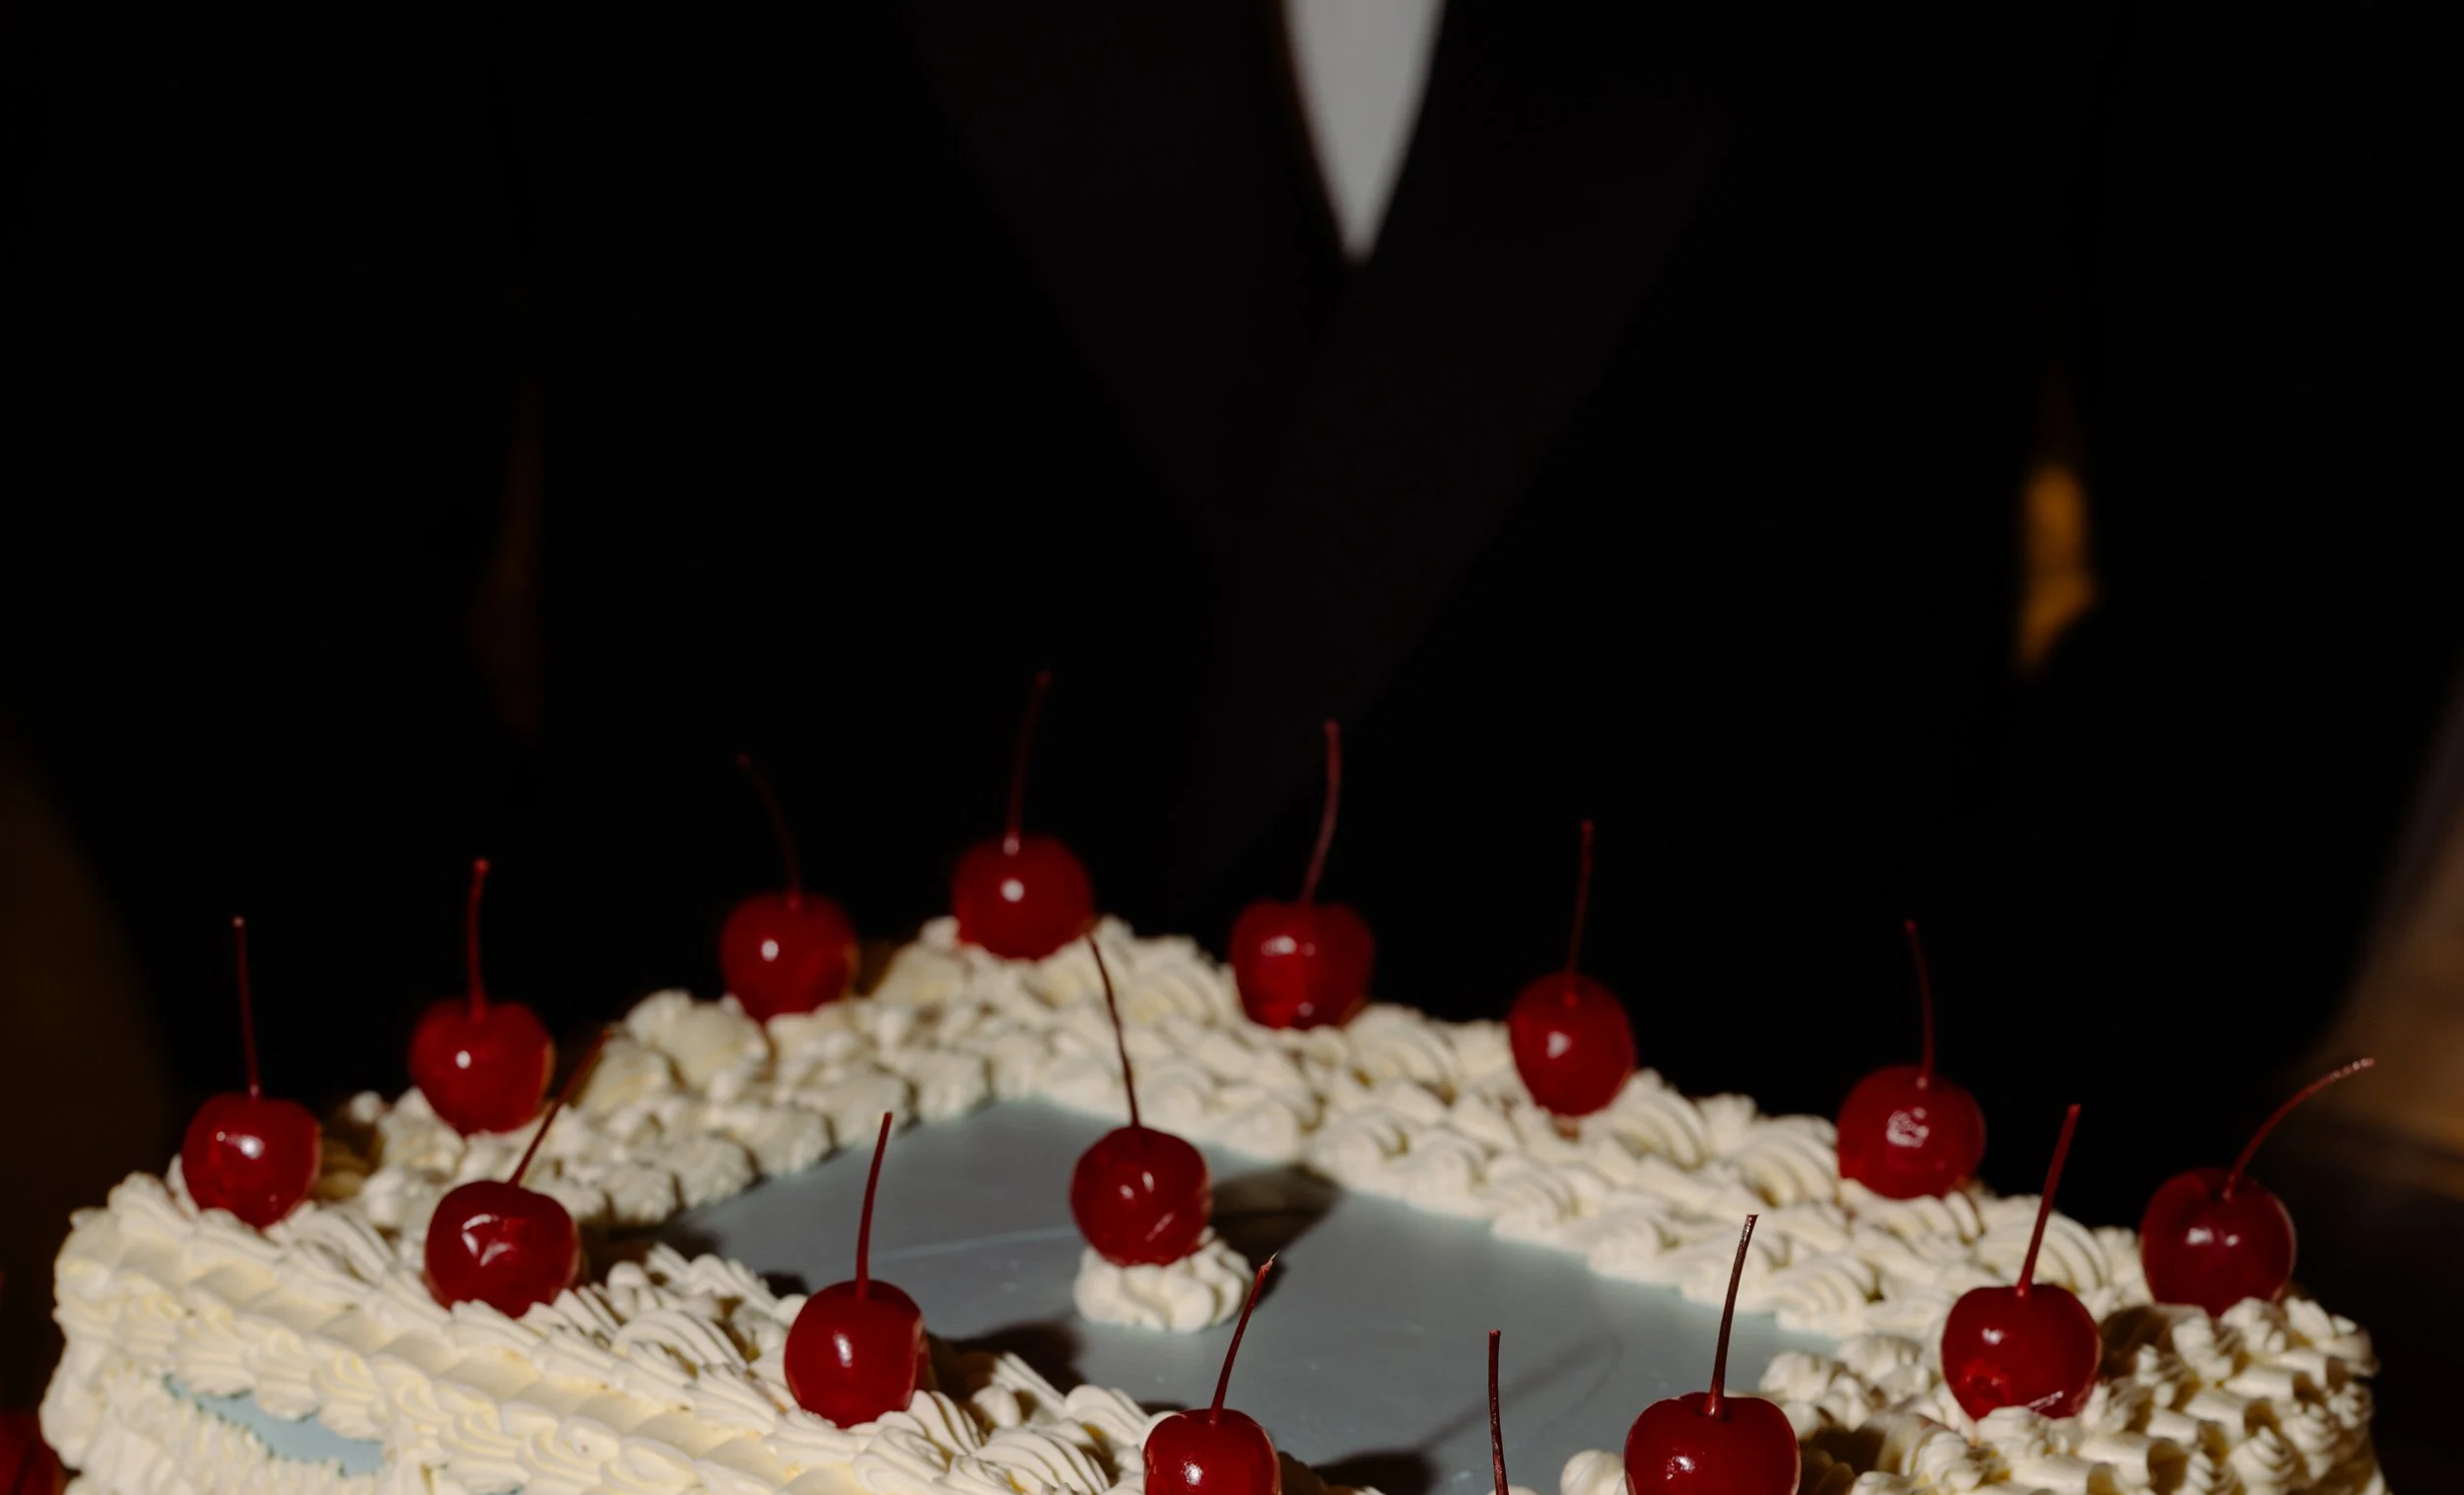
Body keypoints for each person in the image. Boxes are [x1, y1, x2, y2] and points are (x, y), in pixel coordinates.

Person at [5, 0, 2454, 1247]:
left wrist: (1875, 1248)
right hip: (715, 1348)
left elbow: (2308, 522)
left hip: (1782, 1424)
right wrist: (538, 1224)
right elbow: (217, 514)